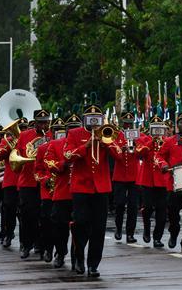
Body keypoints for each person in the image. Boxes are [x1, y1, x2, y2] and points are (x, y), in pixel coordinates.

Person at [64, 105, 117, 277]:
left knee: (98, 228)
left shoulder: (107, 132)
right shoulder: (74, 134)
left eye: (97, 119)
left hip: (101, 187)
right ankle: (78, 258)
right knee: (80, 223)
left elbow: (119, 155)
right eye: (90, 118)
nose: (94, 123)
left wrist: (107, 144)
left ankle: (93, 264)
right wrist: (85, 146)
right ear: (84, 119)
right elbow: (67, 156)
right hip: (81, 186)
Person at [155, 111, 182, 251]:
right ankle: (174, 233)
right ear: (177, 125)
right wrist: (164, 165)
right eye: (181, 122)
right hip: (173, 182)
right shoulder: (169, 141)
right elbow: (158, 156)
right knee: (173, 213)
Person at [43, 113, 80, 269]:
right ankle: (60, 252)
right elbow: (48, 162)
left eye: (76, 128)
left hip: (80, 192)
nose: (73, 131)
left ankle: (77, 258)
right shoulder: (56, 144)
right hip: (62, 191)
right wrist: (62, 164)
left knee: (80, 227)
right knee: (59, 225)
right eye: (70, 128)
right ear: (66, 130)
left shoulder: (86, 144)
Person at [13, 109, 51, 259]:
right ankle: (25, 245)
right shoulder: (24, 136)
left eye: (46, 122)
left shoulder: (51, 135)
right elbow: (16, 156)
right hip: (28, 181)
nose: (43, 125)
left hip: (45, 181)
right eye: (41, 122)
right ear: (35, 122)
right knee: (27, 215)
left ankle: (41, 245)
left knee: (44, 216)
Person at [135, 115, 169, 247]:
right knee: (147, 207)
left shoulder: (166, 141)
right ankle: (146, 230)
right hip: (147, 179)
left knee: (161, 209)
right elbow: (138, 154)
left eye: (159, 129)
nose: (157, 132)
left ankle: (157, 237)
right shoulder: (143, 140)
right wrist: (151, 142)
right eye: (154, 129)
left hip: (162, 180)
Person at [111, 111, 139, 244]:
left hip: (134, 175)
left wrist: (137, 146)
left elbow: (144, 150)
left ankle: (130, 233)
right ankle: (118, 228)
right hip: (120, 175)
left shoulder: (137, 135)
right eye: (126, 123)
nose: (128, 125)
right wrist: (121, 150)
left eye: (130, 123)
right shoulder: (116, 136)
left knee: (133, 206)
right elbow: (114, 155)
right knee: (120, 204)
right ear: (122, 123)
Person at [33, 117, 58, 262]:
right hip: (48, 191)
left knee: (60, 223)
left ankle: (59, 251)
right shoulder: (42, 148)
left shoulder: (66, 146)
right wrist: (45, 180)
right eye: (55, 130)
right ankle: (47, 249)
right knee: (47, 222)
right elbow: (37, 171)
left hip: (63, 190)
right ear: (51, 131)